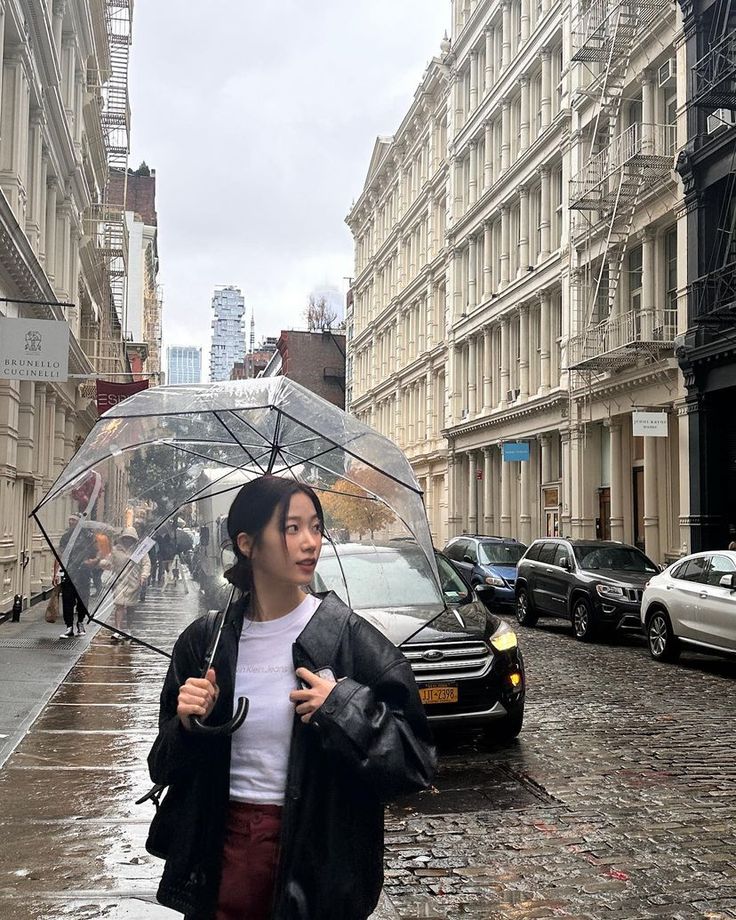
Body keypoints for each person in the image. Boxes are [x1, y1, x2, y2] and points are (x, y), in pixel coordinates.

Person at [147, 475, 436, 920]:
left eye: (316, 527)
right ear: (247, 543)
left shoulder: (348, 638)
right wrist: (186, 725)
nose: (310, 543)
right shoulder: (207, 641)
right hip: (218, 856)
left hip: (314, 859)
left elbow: (416, 763)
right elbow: (160, 766)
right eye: (292, 528)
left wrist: (344, 707)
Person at [103, 527, 151, 642]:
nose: (128, 540)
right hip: (119, 581)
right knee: (119, 605)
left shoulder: (140, 550)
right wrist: (103, 563)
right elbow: (109, 561)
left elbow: (146, 564)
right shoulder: (115, 550)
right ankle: (117, 629)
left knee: (130, 607)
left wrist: (144, 575)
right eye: (126, 538)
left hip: (134, 582)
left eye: (130, 538)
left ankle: (129, 628)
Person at [53, 514, 98, 638]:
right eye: (70, 519)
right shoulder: (65, 537)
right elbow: (60, 555)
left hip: (83, 572)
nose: (71, 522)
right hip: (68, 572)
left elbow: (96, 554)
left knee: (83, 599)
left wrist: (92, 561)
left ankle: (80, 622)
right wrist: (56, 573)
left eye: (74, 520)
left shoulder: (88, 537)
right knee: (67, 599)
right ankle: (69, 626)